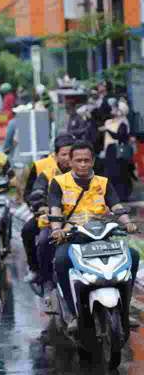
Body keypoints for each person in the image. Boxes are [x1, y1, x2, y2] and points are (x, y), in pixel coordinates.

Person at [46, 141, 138, 333]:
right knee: (61, 261)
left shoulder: (103, 182)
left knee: (133, 256)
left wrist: (127, 222)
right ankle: (71, 312)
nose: (82, 164)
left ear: (93, 161)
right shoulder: (59, 182)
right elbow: (54, 207)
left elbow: (116, 205)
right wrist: (57, 229)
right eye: (78, 160)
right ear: (70, 161)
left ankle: (124, 310)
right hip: (73, 236)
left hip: (101, 236)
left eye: (87, 160)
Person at [20, 133, 74, 282]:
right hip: (50, 217)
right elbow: (33, 192)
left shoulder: (83, 170)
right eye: (63, 154)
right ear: (55, 155)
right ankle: (40, 274)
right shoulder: (44, 170)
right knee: (34, 235)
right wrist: (39, 207)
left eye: (71, 154)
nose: (68, 158)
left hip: (79, 217)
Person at [101, 99, 134, 201]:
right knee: (111, 174)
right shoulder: (110, 121)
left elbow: (119, 136)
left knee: (119, 174)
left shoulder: (123, 123)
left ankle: (122, 196)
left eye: (115, 108)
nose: (113, 109)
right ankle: (114, 196)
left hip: (117, 150)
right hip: (110, 150)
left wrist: (107, 130)